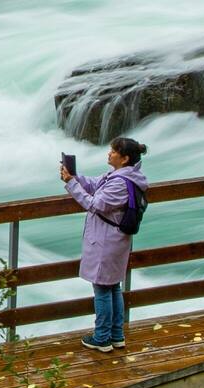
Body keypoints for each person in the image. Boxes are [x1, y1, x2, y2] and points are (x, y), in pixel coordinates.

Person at [61, 137, 149, 353]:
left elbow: (94, 204)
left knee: (101, 287)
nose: (109, 153)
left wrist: (71, 184)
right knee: (112, 286)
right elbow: (94, 184)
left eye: (113, 151)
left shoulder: (120, 183)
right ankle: (116, 335)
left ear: (125, 158)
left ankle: (101, 338)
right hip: (115, 239)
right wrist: (74, 177)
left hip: (107, 241)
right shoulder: (122, 176)